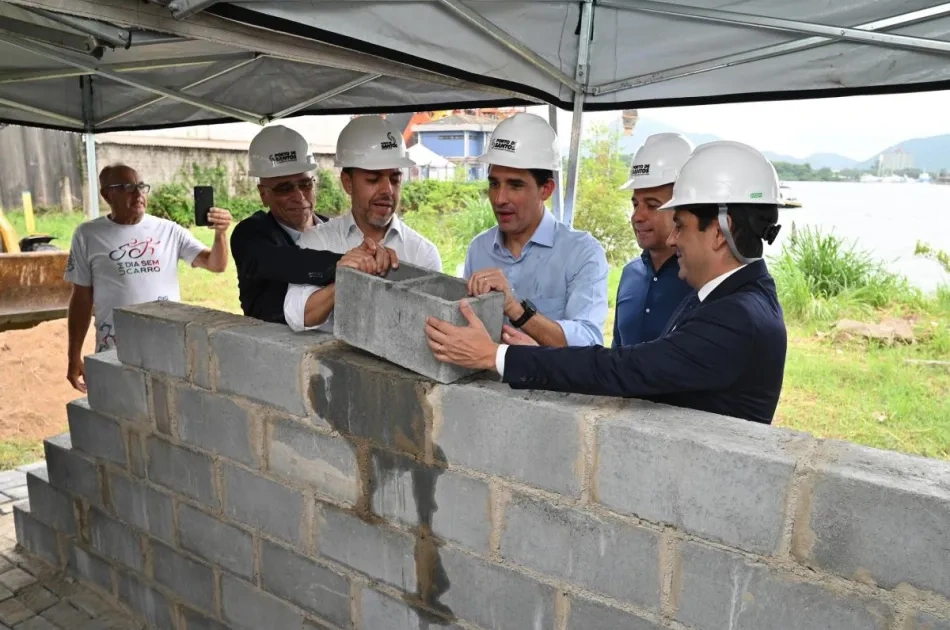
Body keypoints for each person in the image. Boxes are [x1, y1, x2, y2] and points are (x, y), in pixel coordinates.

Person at [424, 141, 788, 424]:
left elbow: (623, 369)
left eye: (680, 225)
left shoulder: (735, 317)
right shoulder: (730, 296)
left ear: (721, 231)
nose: (673, 238)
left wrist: (495, 355)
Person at [65, 164, 231, 392]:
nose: (138, 194)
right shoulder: (88, 235)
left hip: (168, 349)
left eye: (141, 186)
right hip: (116, 351)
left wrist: (220, 234)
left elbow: (216, 264)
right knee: (119, 406)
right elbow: (81, 298)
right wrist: (73, 355)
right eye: (127, 187)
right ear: (106, 195)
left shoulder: (169, 230)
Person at [462, 112, 609, 348]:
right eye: (494, 183)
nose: (499, 198)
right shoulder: (479, 249)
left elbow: (588, 341)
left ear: (546, 190)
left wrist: (516, 309)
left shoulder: (581, 253)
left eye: (515, 185)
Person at [283, 116, 442, 332]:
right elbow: (297, 317)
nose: (387, 190)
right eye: (373, 179)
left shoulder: (422, 253)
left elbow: (435, 328)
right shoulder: (316, 241)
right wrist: (345, 279)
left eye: (395, 179)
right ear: (347, 183)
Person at [230, 124, 392, 324]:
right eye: (284, 189)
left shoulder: (333, 228)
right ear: (264, 194)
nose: (299, 196)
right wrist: (347, 263)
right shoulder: (249, 235)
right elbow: (286, 262)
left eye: (305, 184)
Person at [613, 133, 695, 347]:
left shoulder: (701, 280)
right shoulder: (630, 274)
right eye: (635, 204)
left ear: (685, 207)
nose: (637, 216)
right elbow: (616, 354)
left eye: (652, 205)